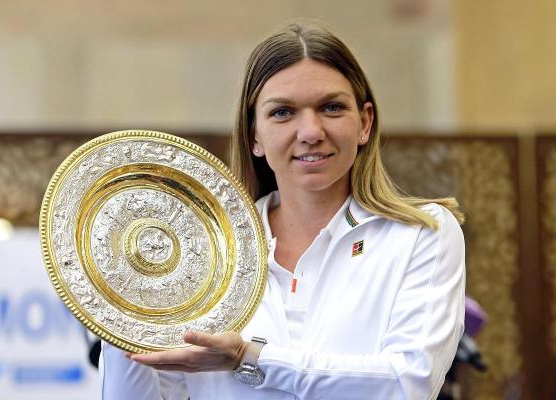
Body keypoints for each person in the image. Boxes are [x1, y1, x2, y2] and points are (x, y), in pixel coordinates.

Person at [100, 21, 466, 400]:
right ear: (254, 135)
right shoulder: (203, 256)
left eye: (332, 107)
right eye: (283, 113)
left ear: (365, 122)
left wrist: (249, 357)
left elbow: (406, 384)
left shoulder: (421, 234)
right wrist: (120, 315)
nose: (310, 131)